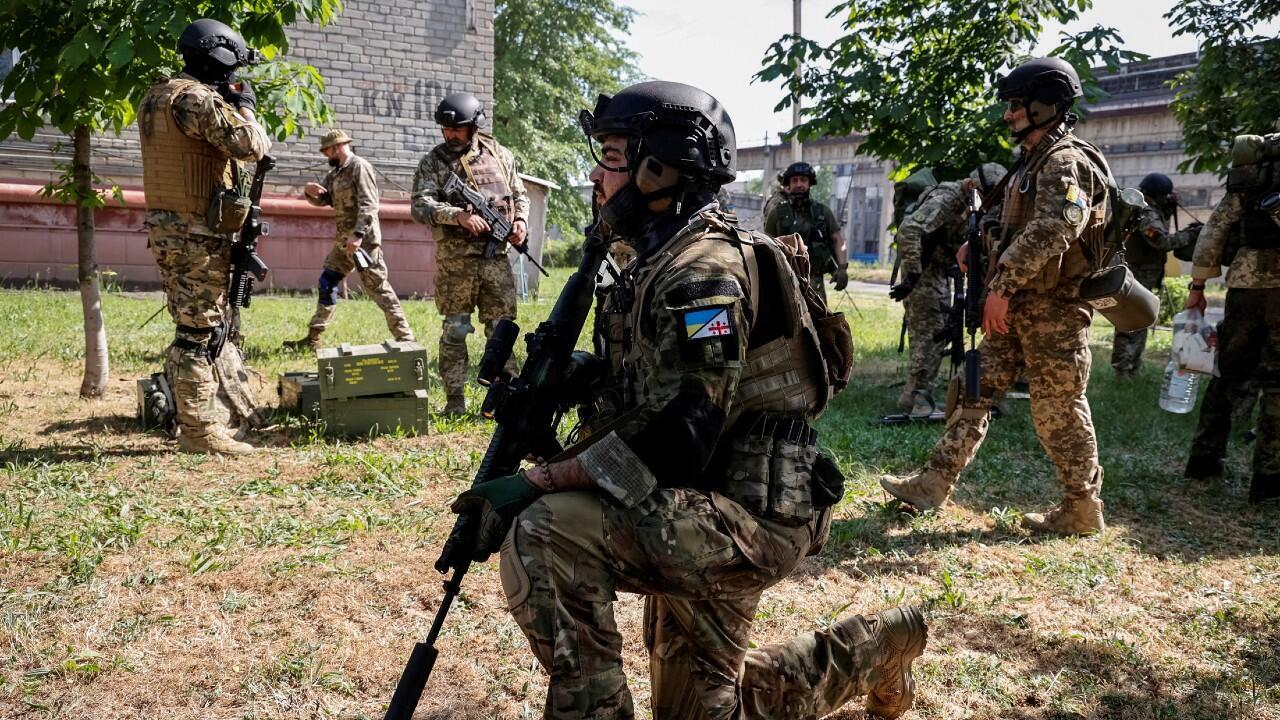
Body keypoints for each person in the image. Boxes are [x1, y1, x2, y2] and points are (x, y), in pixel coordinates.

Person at [447, 80, 926, 720]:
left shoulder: (704, 276)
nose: (594, 172)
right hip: (694, 500)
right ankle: (880, 644)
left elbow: (683, 437)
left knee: (547, 530)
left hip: (745, 513)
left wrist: (542, 479)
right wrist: (578, 378)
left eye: (612, 157)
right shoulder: (652, 257)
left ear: (658, 169)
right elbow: (657, 383)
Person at [880, 57, 1111, 535]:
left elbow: (1055, 229)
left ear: (1045, 105)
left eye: (1015, 105)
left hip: (1054, 311)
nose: (1007, 115)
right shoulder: (1031, 162)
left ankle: (1081, 507)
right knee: (973, 389)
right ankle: (933, 483)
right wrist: (978, 243)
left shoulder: (1065, 161)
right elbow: (1016, 225)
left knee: (1058, 409)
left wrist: (1001, 287)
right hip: (1020, 306)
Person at [139, 18, 271, 454]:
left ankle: (204, 414)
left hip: (170, 229)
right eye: (233, 66)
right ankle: (200, 432)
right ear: (218, 58)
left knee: (193, 324)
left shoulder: (157, 95)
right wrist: (246, 105)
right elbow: (252, 144)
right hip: (196, 234)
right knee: (198, 332)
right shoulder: (195, 98)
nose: (235, 76)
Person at [411, 92, 530, 416]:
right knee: (455, 330)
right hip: (456, 263)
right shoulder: (434, 162)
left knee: (501, 330)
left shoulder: (500, 155)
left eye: (458, 129)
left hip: (495, 260)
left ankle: (505, 402)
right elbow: (420, 205)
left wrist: (520, 221)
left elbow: (519, 194)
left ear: (474, 126)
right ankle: (455, 402)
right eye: (445, 129)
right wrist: (457, 216)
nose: (450, 134)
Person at [1183, 131, 1280, 504]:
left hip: (1245, 284)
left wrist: (1197, 287)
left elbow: (1214, 229)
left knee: (1227, 373)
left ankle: (1203, 460)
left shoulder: (1251, 174)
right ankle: (1268, 481)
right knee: (1277, 385)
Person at [889, 163, 1007, 415]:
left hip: (941, 270)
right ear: (975, 187)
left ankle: (913, 395)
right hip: (923, 270)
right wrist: (912, 275)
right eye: (989, 196)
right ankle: (918, 397)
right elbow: (908, 230)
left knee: (940, 328)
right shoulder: (948, 198)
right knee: (930, 330)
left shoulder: (974, 205)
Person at [283, 130, 415, 349]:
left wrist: (358, 235)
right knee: (328, 282)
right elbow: (325, 200)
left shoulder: (359, 167)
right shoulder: (336, 173)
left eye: (327, 151)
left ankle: (406, 339)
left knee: (378, 288)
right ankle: (313, 338)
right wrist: (309, 192)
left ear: (337, 147)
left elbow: (370, 204)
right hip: (343, 243)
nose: (326, 156)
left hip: (363, 244)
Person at [1109, 172, 1200, 377]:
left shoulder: (1146, 209)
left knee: (1139, 321)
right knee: (1132, 322)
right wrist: (1191, 234)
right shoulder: (1146, 213)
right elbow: (1161, 241)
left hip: (1141, 274)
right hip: (1138, 275)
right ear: (1157, 195)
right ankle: (1123, 370)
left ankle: (1131, 368)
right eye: (1165, 196)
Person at [764, 161, 849, 300]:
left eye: (803, 180)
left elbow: (838, 239)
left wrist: (842, 268)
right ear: (788, 185)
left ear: (809, 183)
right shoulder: (777, 214)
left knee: (818, 319)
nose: (799, 184)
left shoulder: (822, 212)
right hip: (784, 280)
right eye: (794, 180)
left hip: (814, 282)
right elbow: (766, 244)